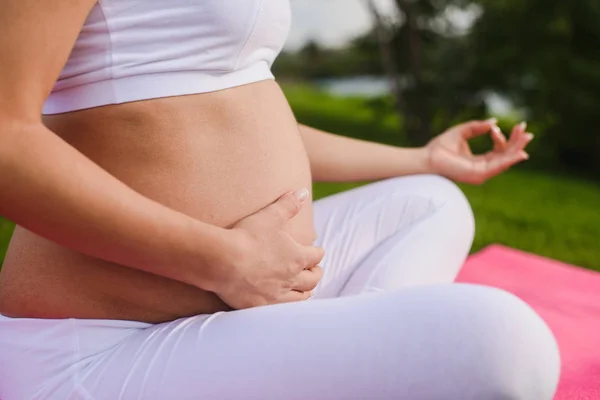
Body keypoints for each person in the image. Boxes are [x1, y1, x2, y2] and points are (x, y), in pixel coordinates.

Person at [0, 1, 560, 399]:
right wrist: (224, 261)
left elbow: (237, 123)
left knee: (432, 202)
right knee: (507, 345)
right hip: (100, 347)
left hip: (240, 295)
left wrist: (423, 158)